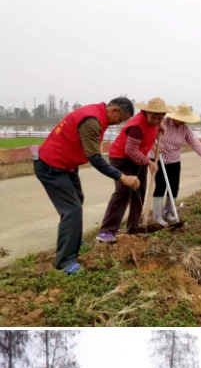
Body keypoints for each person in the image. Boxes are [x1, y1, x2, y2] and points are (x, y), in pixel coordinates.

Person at [34, 97, 139, 273]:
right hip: (51, 166)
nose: (118, 124)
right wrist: (122, 177)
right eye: (120, 120)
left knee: (77, 199)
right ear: (114, 111)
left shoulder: (97, 114)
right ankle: (65, 261)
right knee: (72, 210)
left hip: (66, 165)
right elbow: (95, 158)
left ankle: (73, 239)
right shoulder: (92, 120)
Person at [96, 97, 174, 243]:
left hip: (139, 157)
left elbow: (157, 124)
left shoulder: (156, 121)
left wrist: (160, 125)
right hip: (121, 157)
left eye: (160, 117)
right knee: (123, 192)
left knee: (139, 191)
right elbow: (130, 150)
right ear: (146, 112)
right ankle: (106, 231)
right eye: (154, 117)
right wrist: (149, 162)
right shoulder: (137, 126)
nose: (156, 121)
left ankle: (133, 227)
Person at [150, 103, 201, 226]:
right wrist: (154, 147)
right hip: (159, 159)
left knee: (174, 187)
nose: (182, 121)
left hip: (175, 160)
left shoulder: (185, 129)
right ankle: (157, 216)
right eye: (180, 118)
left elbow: (195, 143)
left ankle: (169, 213)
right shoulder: (163, 122)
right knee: (161, 186)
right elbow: (149, 137)